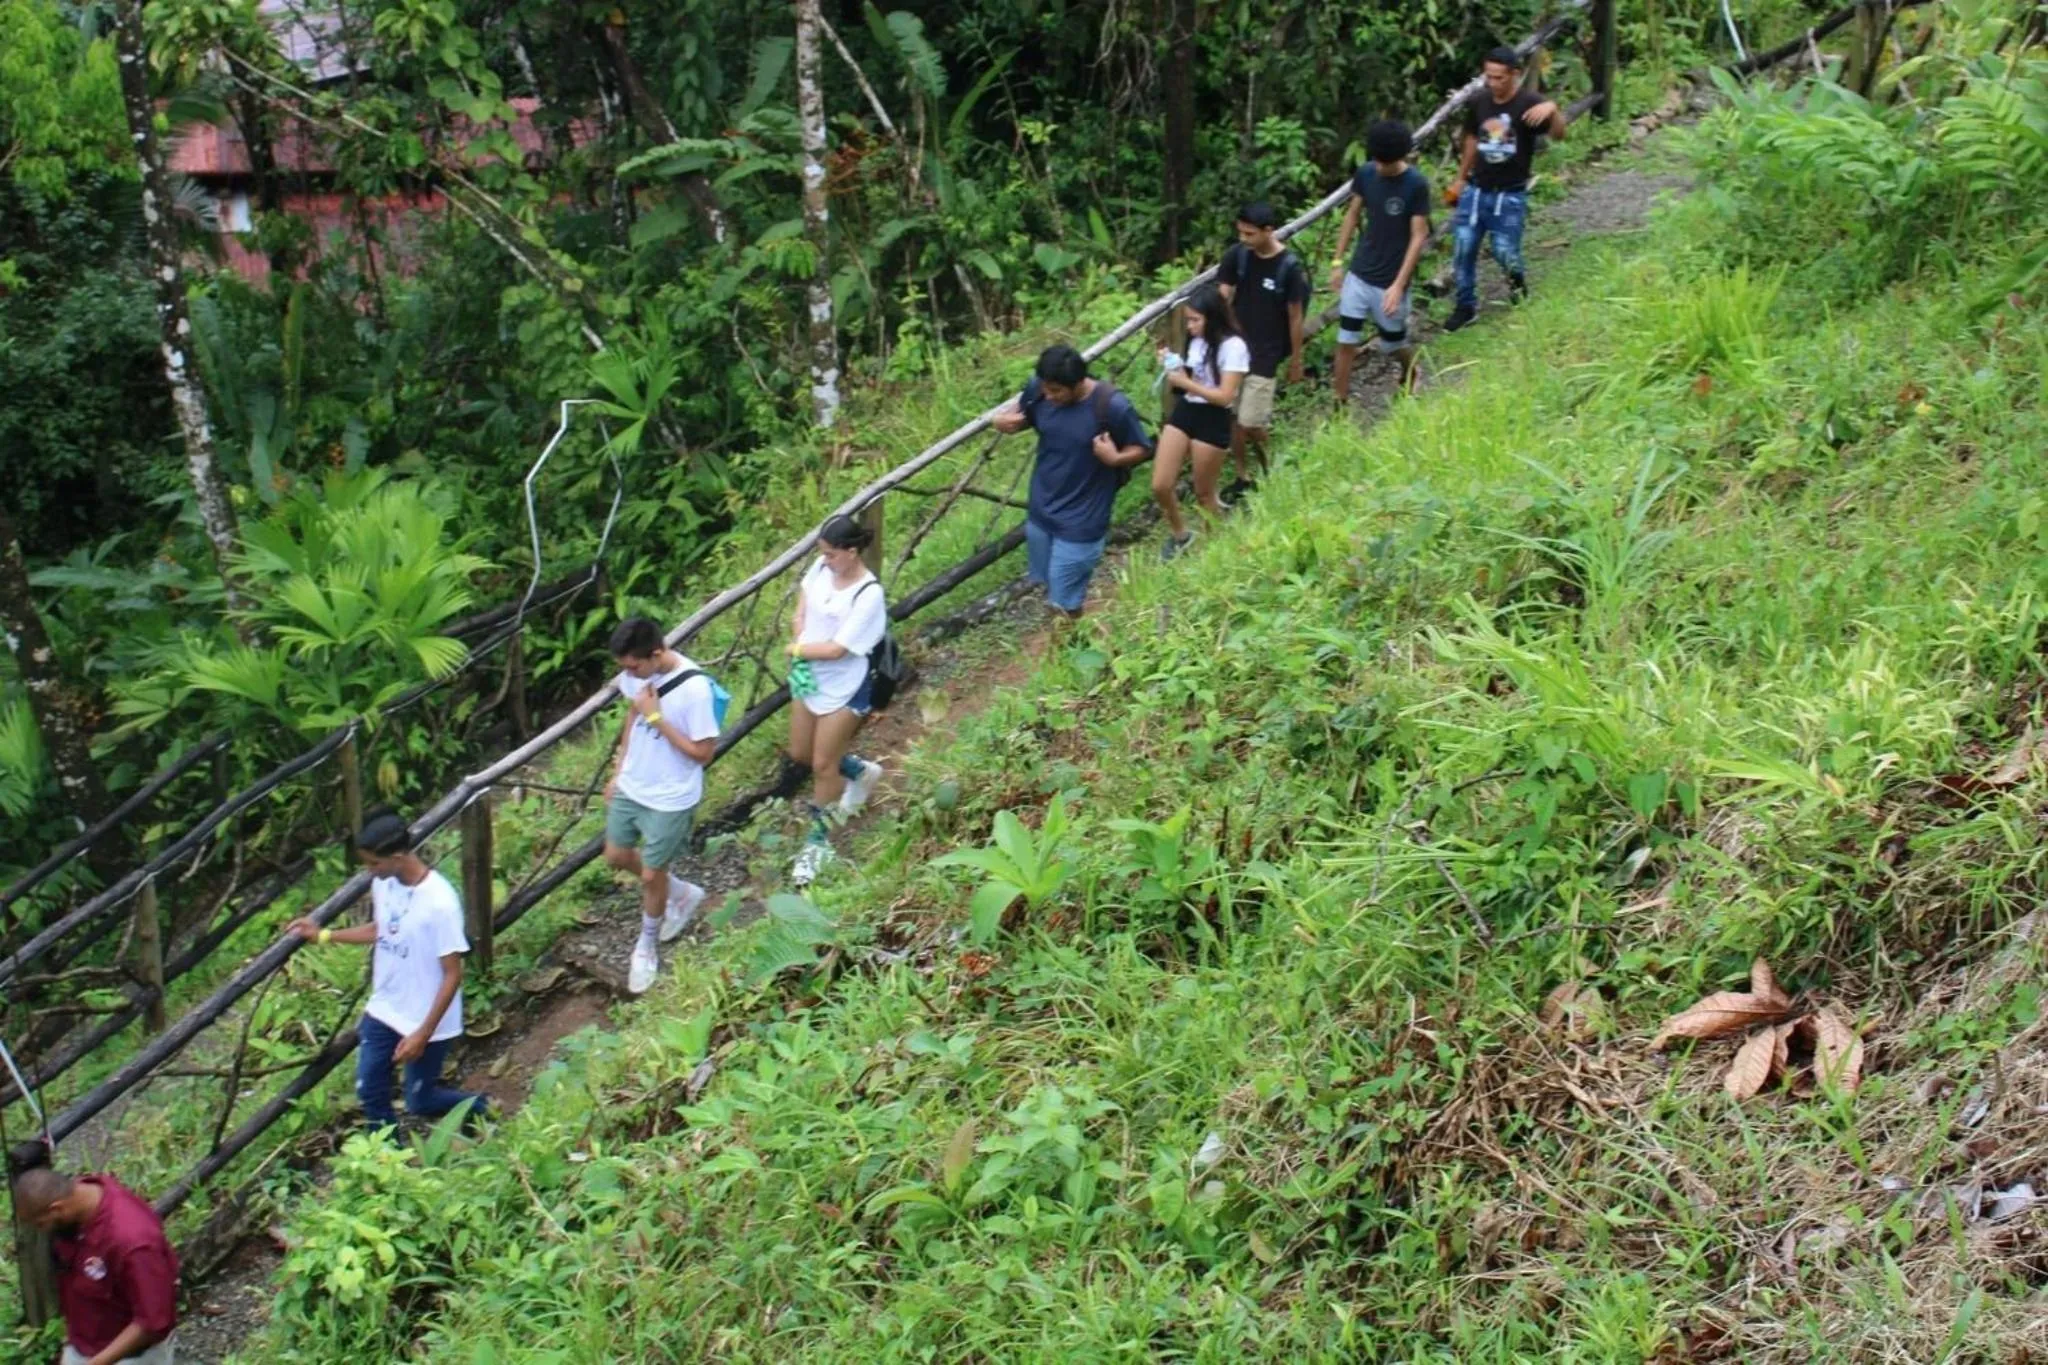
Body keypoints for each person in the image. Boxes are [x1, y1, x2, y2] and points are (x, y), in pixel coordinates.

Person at [288, 809, 489, 1130]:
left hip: (427, 1016)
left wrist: (422, 1033)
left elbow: (453, 974)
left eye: (373, 864)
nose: (369, 871)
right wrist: (324, 935)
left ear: (397, 857)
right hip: (386, 1006)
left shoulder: (440, 903)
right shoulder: (385, 883)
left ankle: (480, 1108)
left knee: (420, 1101)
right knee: (370, 1088)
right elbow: (381, 929)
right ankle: (386, 1157)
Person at [598, 617, 721, 994]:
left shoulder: (696, 690)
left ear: (656, 654)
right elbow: (633, 715)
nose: (628, 674)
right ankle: (681, 893)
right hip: (634, 785)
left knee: (652, 875)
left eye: (633, 666)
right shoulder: (636, 676)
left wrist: (657, 718)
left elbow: (703, 753)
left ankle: (646, 945)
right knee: (616, 855)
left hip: (671, 795)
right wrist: (619, 769)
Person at [990, 345, 1153, 616]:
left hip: (1083, 520)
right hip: (1042, 513)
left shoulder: (1111, 406)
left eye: (1056, 391)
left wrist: (1114, 459)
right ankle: (1073, 644)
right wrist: (1001, 422)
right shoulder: (1039, 391)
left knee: (1063, 605)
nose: (1048, 396)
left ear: (1078, 384)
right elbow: (1024, 416)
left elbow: (1142, 448)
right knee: (1050, 586)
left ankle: (1067, 652)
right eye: (1046, 388)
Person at [786, 514, 891, 885]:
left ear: (851, 551)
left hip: (846, 683)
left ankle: (817, 844)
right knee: (800, 752)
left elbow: (837, 650)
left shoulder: (868, 593)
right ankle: (860, 772)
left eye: (831, 555)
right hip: (809, 676)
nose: (825, 560)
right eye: (822, 554)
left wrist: (797, 647)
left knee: (822, 765)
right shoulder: (820, 568)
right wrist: (800, 632)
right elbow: (802, 606)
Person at [1443, 45, 1567, 332]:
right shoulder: (1479, 101)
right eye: (1490, 77)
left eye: (1500, 78)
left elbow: (1559, 135)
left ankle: (1517, 285)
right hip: (1476, 187)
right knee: (1463, 247)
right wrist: (1461, 177)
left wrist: (1553, 108)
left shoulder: (1529, 103)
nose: (1494, 83)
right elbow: (1472, 138)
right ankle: (1465, 306)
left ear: (1515, 75)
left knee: (1504, 250)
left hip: (1510, 192)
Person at [13, 1166, 178, 1365]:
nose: (42, 1231)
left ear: (57, 1208)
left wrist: (98, 1362)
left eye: (41, 1224)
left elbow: (153, 1322)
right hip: (86, 1342)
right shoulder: (82, 1198)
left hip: (133, 1356)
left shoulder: (132, 1242)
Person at [1328, 119, 1432, 401]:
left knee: (1392, 341)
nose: (1379, 167)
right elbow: (1352, 215)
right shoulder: (1366, 174)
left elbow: (1418, 235)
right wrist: (1337, 262)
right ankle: (1340, 401)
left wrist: (1398, 285)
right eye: (1376, 161)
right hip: (1360, 272)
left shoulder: (1416, 185)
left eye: (1385, 163)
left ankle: (1411, 369)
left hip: (1390, 278)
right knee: (1346, 339)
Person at [1217, 201, 1311, 495]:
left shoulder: (1288, 268)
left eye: (1249, 234)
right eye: (1240, 233)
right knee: (1233, 417)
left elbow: (1296, 317)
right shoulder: (1238, 257)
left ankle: (1273, 464)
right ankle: (1244, 476)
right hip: (1235, 350)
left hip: (1267, 352)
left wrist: (1297, 359)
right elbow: (1223, 296)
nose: (1243, 240)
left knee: (1250, 421)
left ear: (1268, 231)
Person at [1151, 283, 1250, 559]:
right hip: (1186, 411)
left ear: (1212, 317)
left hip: (1213, 417)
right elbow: (1191, 383)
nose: (1190, 326)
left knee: (1204, 493)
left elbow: (1224, 396)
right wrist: (1174, 366)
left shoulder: (1234, 347)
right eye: (1188, 320)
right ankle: (1180, 534)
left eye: (1195, 320)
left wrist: (1185, 382)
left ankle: (1216, 546)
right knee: (1161, 483)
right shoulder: (1197, 342)